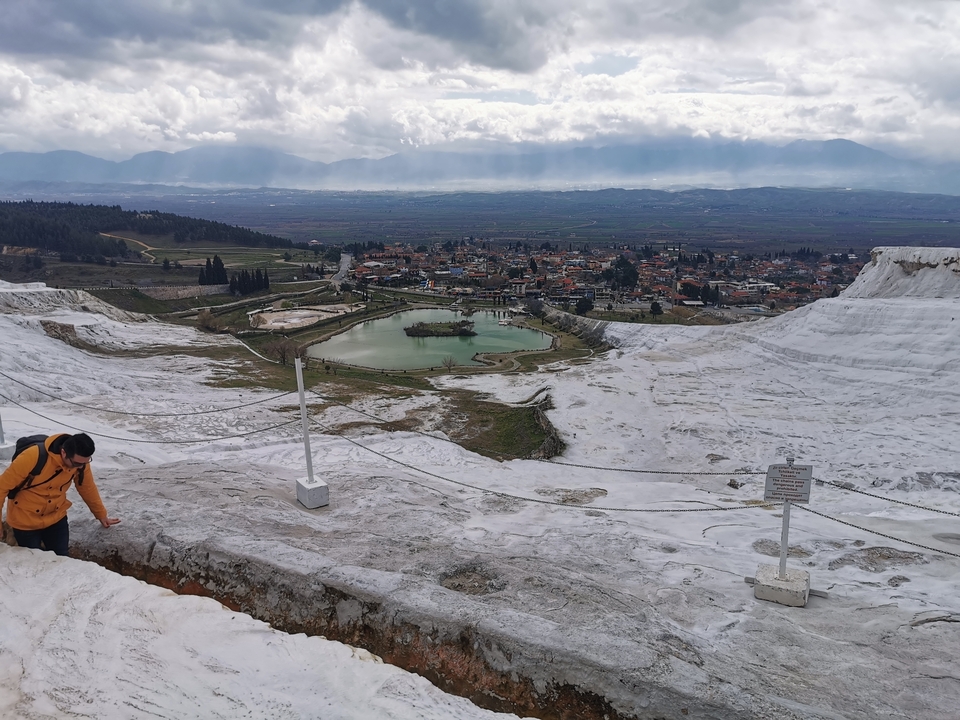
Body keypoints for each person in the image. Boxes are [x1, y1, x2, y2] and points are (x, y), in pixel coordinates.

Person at [0, 433, 120, 556]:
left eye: (86, 462)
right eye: (77, 464)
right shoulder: (31, 457)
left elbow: (87, 488)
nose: (81, 467)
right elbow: (1, 488)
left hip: (56, 518)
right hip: (25, 521)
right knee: (34, 562)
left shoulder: (80, 462)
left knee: (61, 558)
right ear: (63, 452)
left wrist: (101, 515)